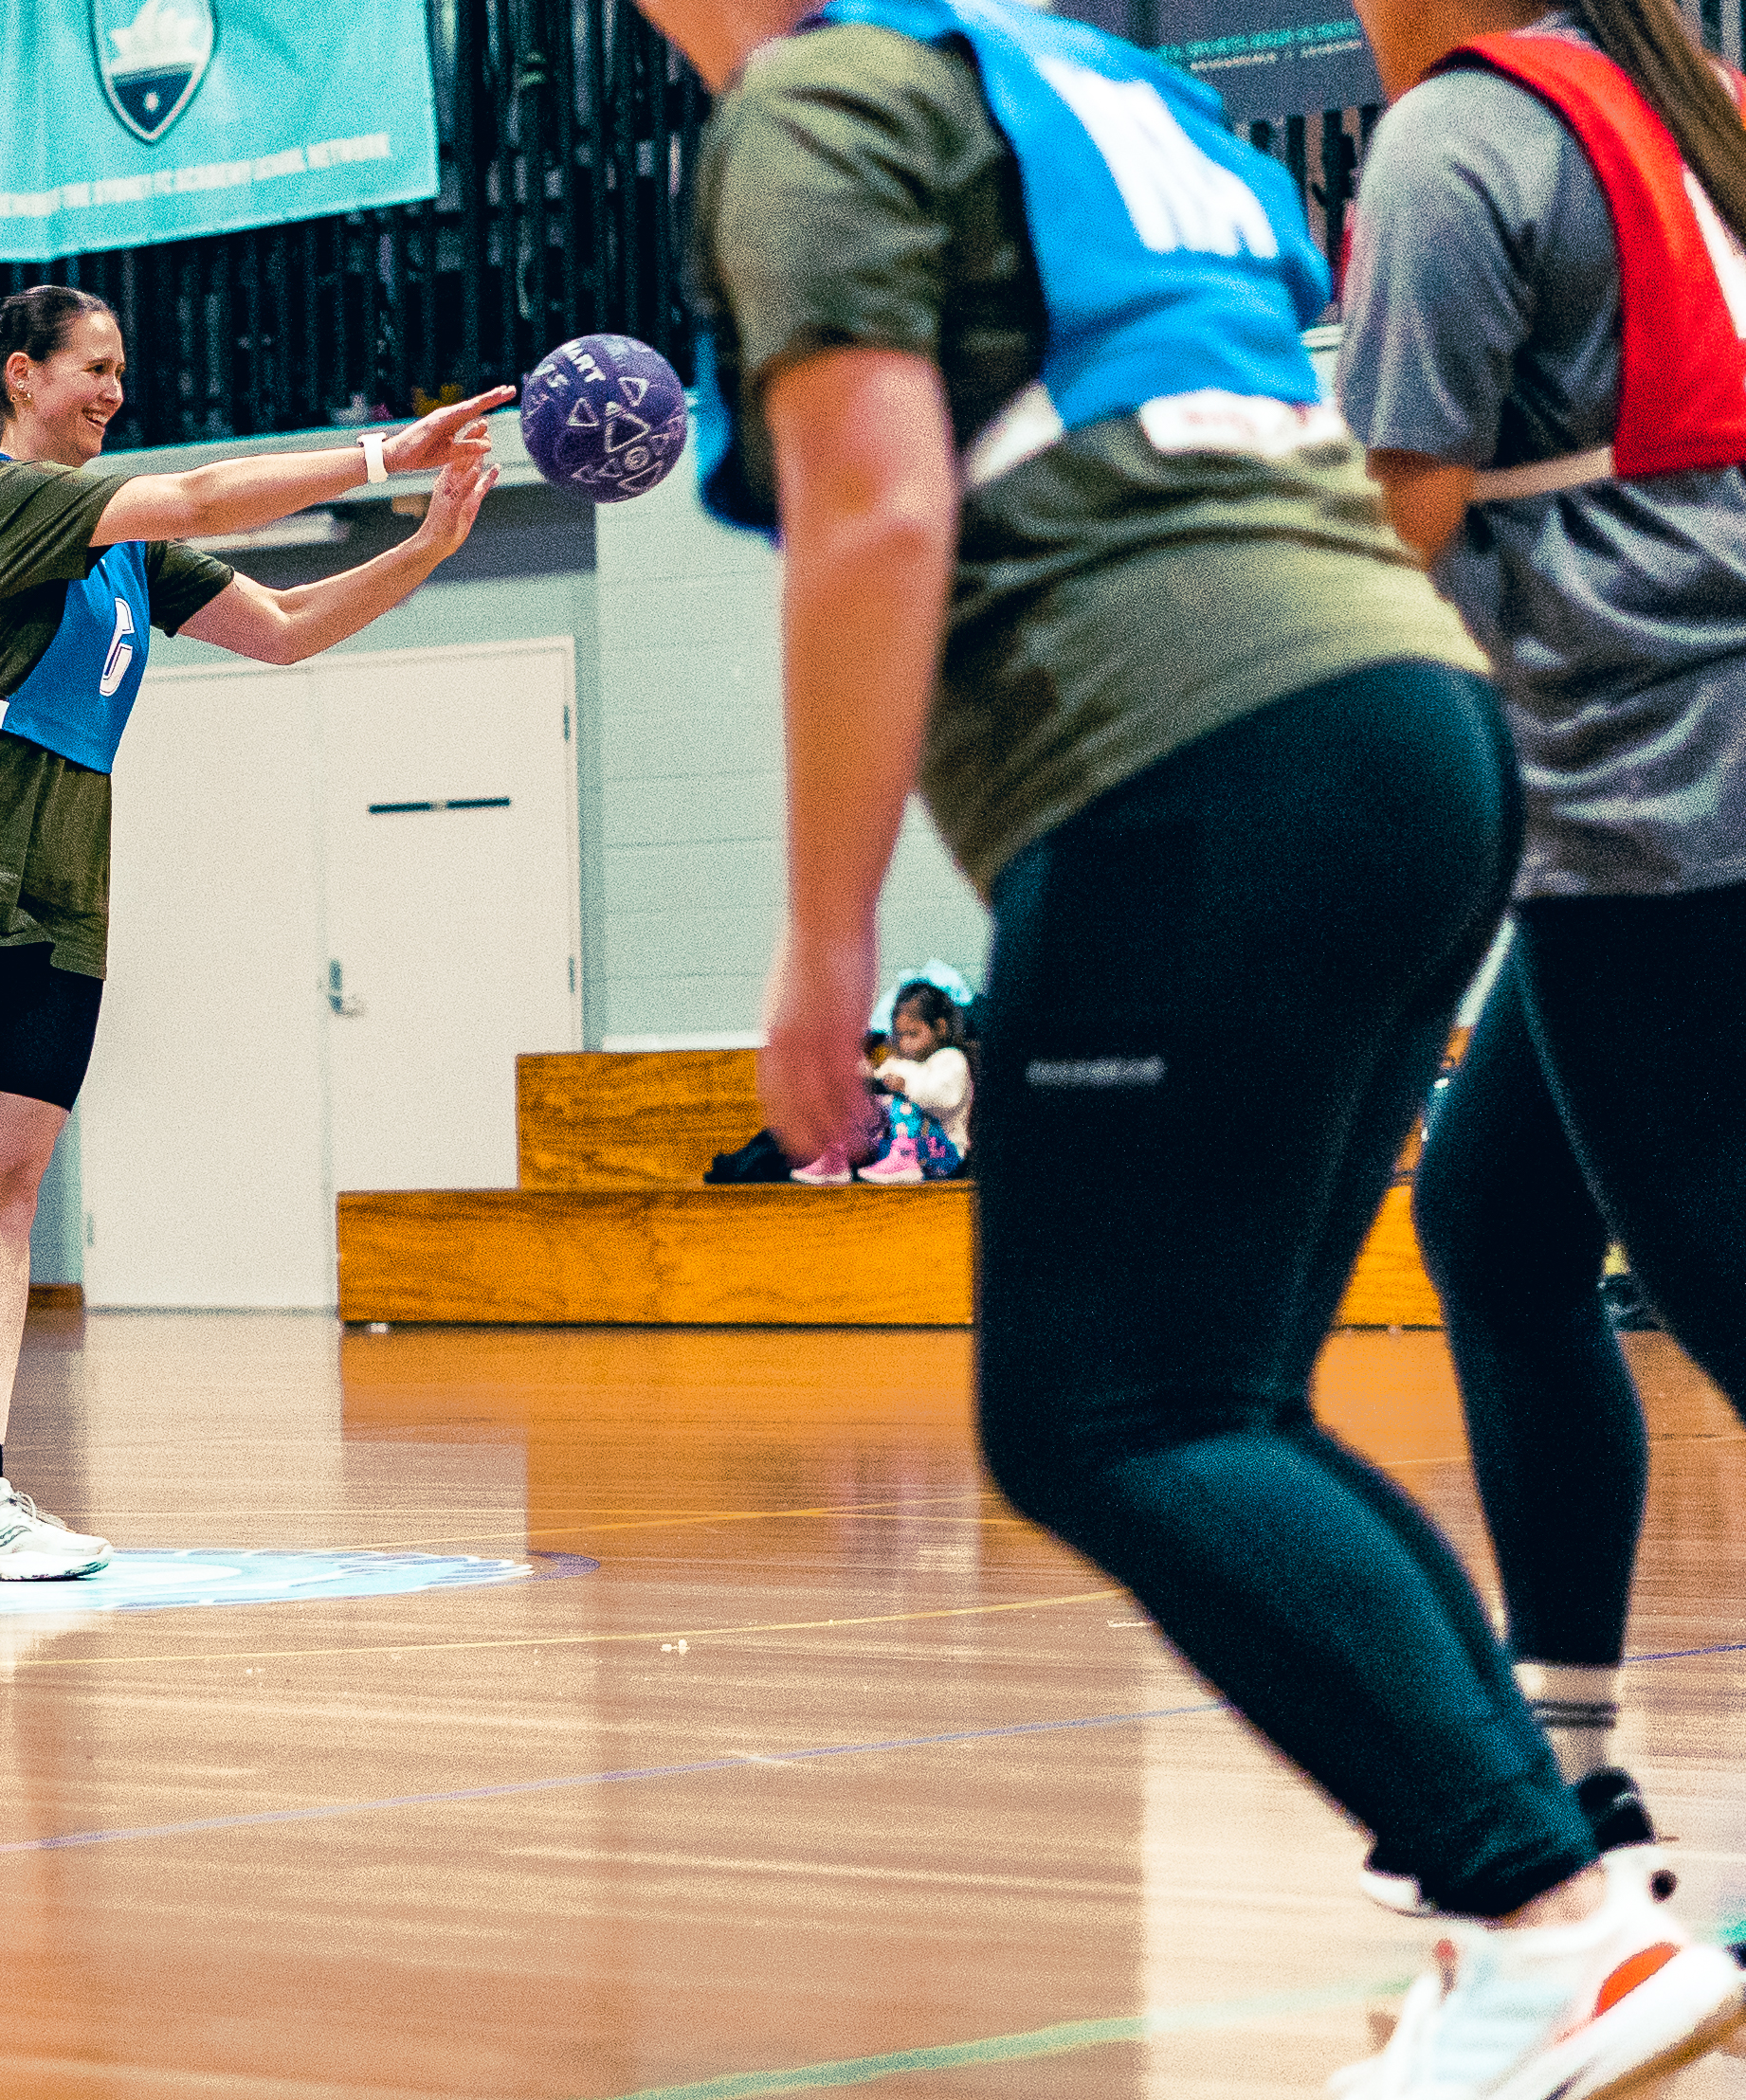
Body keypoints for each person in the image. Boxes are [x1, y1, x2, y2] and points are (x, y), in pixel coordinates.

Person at [625, 0, 1740, 2083]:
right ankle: (1534, 1891)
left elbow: (876, 519)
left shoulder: (817, 105)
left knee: (1108, 1413)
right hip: (1426, 740)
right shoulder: (1128, 90)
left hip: (1201, 761)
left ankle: (1546, 1913)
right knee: (1230, 1394)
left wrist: (820, 945)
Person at [0, 284, 508, 1588]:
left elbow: (288, 629)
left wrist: (426, 544)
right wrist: (382, 453)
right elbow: (189, 496)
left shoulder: (124, 549)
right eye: (95, 367)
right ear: (22, 376)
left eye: (122, 371)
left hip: (58, 880)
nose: (114, 390)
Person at [1336, 0, 1746, 1949]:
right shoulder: (1685, 108)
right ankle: (1569, 1767)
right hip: (1687, 780)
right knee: (1497, 1227)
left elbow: (1391, 524)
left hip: (1659, 809)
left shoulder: (1449, 149)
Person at [856, 979, 970, 1183]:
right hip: (910, 1152)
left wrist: (905, 1086)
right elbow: (878, 1078)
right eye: (900, 1035)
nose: (906, 1043)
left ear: (940, 1027)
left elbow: (945, 1098)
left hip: (945, 1153)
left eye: (913, 1034)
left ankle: (904, 1160)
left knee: (905, 1105)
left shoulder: (951, 1059)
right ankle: (840, 1159)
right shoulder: (901, 1064)